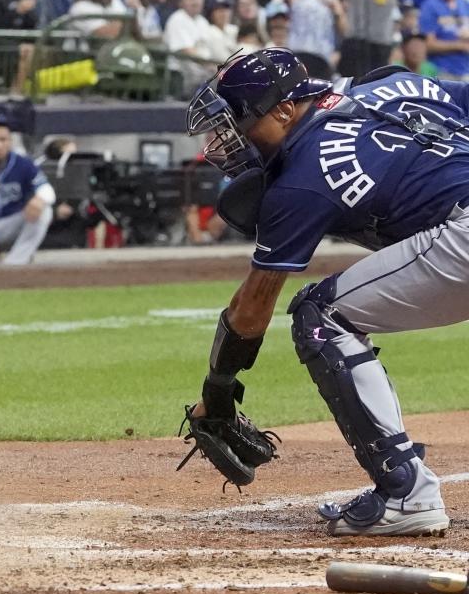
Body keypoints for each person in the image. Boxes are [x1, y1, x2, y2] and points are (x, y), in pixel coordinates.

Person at [182, 47, 467, 536]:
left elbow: (252, 309)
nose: (225, 140)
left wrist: (219, 391)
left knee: (320, 314)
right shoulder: (390, 83)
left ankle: (405, 492)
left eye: (238, 122)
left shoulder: (301, 181)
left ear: (286, 110)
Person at [0, 113, 54, 265]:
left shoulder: (22, 163)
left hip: (9, 225)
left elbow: (47, 190)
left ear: (10, 141)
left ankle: (13, 265)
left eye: (3, 139)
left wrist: (39, 199)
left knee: (44, 210)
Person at [419, 0, 469, 81]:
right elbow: (428, 45)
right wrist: (460, 45)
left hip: (465, 71)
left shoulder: (465, 4)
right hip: (441, 71)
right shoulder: (430, 6)